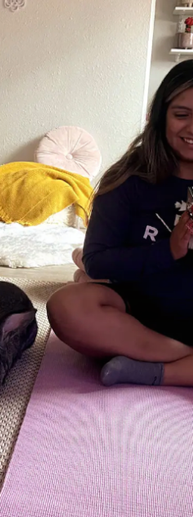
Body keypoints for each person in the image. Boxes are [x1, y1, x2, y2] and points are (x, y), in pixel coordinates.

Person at [47, 59, 193, 387]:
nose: (192, 128)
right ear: (161, 116)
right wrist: (168, 250)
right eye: (181, 115)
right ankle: (184, 359)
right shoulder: (129, 177)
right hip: (136, 313)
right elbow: (97, 262)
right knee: (66, 305)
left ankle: (156, 371)